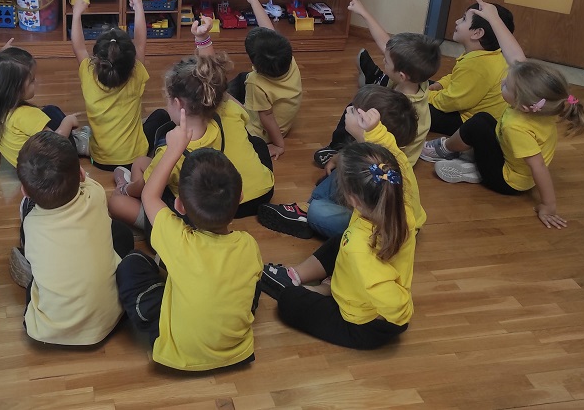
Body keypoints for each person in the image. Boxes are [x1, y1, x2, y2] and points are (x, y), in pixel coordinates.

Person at [420, 0, 584, 229]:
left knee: (479, 123)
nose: (502, 83)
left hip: (505, 180)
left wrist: (548, 205)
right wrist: (493, 17)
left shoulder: (517, 128)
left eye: (506, 86)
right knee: (483, 123)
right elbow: (515, 55)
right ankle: (472, 160)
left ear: (523, 104)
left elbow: (538, 168)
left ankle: (450, 152)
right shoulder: (541, 104)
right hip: (506, 151)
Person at [115, 108, 263, 371]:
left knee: (132, 262)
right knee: (252, 276)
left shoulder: (176, 238)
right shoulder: (249, 245)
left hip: (178, 352)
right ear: (240, 198)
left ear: (179, 206)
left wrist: (174, 149)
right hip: (237, 352)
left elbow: (149, 196)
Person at [108, 17, 274, 229]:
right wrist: (203, 39)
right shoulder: (229, 110)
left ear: (178, 103)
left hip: (207, 208)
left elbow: (145, 189)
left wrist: (125, 187)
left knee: (132, 181)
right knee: (257, 143)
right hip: (259, 194)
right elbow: (214, 80)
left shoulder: (172, 150)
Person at [259, 141, 416, 350]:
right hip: (358, 282)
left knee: (289, 300)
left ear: (353, 199)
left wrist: (398, 317)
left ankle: (325, 288)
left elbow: (390, 298)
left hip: (364, 326)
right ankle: (316, 282)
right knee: (340, 240)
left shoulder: (358, 247)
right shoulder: (400, 209)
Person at [10, 131, 134, 346]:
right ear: (81, 174)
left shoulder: (31, 225)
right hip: (112, 318)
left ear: (24, 192)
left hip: (51, 332)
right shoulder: (96, 193)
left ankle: (33, 275)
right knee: (121, 233)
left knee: (39, 277)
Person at [258, 86, 419, 240]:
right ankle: (306, 210)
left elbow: (372, 214)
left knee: (318, 211)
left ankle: (308, 215)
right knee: (341, 166)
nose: (348, 110)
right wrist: (337, 158)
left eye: (354, 111)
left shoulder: (387, 167)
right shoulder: (378, 148)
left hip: (384, 230)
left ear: (367, 127)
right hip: (366, 204)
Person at [314, 0, 439, 168]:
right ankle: (371, 74)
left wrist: (342, 156)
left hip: (388, 163)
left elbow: (379, 148)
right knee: (368, 95)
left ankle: (337, 148)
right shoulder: (415, 78)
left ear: (402, 75)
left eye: (386, 61)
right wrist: (363, 13)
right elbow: (387, 45)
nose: (383, 58)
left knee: (357, 108)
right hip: (384, 139)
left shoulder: (400, 111)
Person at [360, 2, 515, 137]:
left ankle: (379, 80)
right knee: (414, 77)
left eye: (463, 19)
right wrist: (440, 85)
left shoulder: (478, 66)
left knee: (405, 106)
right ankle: (381, 78)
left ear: (477, 33)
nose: (457, 21)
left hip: (463, 119)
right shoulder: (485, 54)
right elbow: (456, 78)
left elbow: (453, 101)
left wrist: (427, 95)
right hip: (461, 104)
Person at [0, 44, 80, 185]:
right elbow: (55, 142)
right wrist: (69, 120)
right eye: (32, 80)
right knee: (52, 111)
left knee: (46, 112)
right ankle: (79, 141)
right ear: (14, 90)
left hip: (27, 174)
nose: (36, 81)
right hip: (49, 171)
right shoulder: (26, 115)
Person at [70, 0, 150, 171]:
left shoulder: (88, 73)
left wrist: (76, 14)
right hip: (135, 160)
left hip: (100, 160)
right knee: (159, 117)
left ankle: (84, 142)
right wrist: (139, 7)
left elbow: (78, 47)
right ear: (131, 60)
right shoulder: (137, 72)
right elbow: (140, 43)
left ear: (97, 59)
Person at [226, 0, 302, 160]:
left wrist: (278, 144)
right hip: (277, 117)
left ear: (256, 66)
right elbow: (268, 30)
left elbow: (265, 116)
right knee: (241, 78)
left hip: (260, 132)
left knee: (218, 98)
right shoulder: (288, 59)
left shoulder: (256, 83)